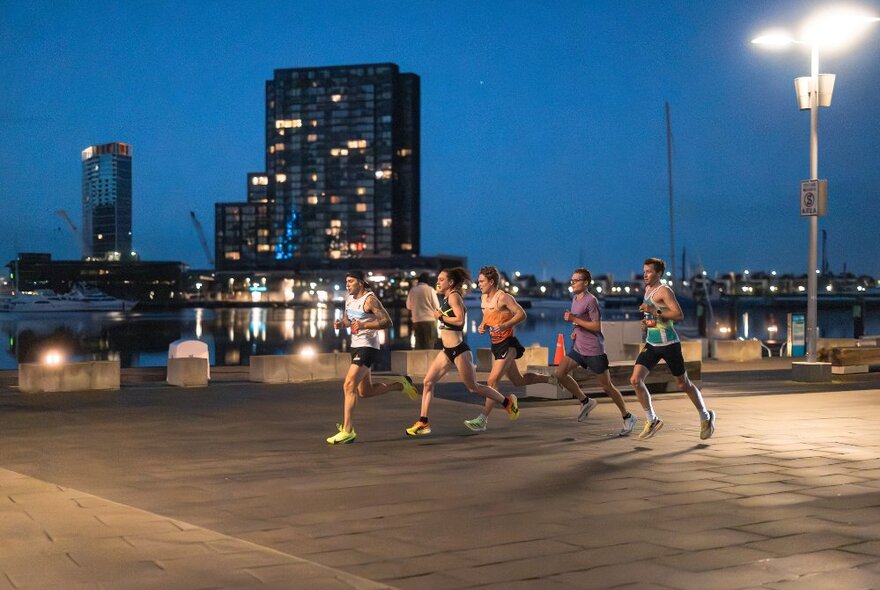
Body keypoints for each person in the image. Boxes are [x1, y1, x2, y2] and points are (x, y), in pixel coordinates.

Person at [405, 267, 519, 436]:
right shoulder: (445, 298)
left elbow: (459, 321)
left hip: (459, 350)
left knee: (474, 387)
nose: (438, 282)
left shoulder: (454, 296)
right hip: (446, 351)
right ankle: (423, 422)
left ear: (450, 282)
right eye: (438, 279)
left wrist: (441, 317)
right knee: (428, 382)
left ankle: (507, 402)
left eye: (442, 279)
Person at [326, 270, 419, 445]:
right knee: (364, 392)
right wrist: (341, 324)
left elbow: (387, 321)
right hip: (355, 346)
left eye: (351, 281)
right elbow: (348, 320)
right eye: (346, 281)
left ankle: (348, 431)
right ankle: (401, 385)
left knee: (348, 385)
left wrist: (364, 324)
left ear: (361, 282)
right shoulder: (349, 299)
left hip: (368, 347)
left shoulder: (370, 300)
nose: (347, 285)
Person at [629, 258, 716, 440]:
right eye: (644, 271)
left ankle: (706, 416)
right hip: (652, 344)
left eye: (649, 271)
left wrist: (654, 311)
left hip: (669, 345)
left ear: (658, 273)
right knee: (636, 380)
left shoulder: (664, 291)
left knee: (683, 384)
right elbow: (656, 318)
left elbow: (678, 315)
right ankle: (652, 420)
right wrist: (647, 321)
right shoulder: (648, 290)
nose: (645, 274)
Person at [552, 268, 636, 436]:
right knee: (559, 373)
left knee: (606, 386)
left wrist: (574, 320)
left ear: (586, 283)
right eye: (572, 280)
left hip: (594, 350)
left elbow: (596, 326)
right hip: (578, 348)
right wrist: (576, 329)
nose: (572, 282)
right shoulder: (575, 298)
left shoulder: (592, 301)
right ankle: (586, 401)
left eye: (576, 280)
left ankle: (628, 416)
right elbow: (582, 322)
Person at [463, 266, 541, 432]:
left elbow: (521, 314)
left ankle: (482, 420)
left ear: (491, 282)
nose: (479, 284)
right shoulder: (484, 298)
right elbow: (488, 315)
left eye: (482, 281)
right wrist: (483, 325)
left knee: (492, 381)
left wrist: (504, 325)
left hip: (508, 343)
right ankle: (550, 379)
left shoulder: (503, 297)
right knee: (518, 381)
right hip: (496, 345)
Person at [406, 272, 439, 349]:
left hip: (416, 320)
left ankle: (418, 360)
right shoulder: (430, 290)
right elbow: (436, 306)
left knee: (419, 344)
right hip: (429, 320)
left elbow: (408, 306)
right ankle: (428, 361)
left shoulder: (413, 290)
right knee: (429, 343)